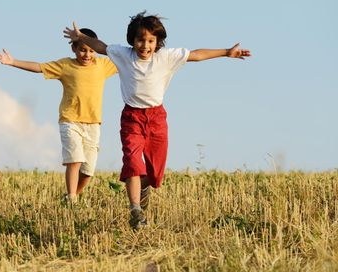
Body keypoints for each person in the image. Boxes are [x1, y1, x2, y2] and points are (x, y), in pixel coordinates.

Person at [64, 12, 251, 229]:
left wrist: (227, 52)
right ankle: (135, 210)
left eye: (151, 41)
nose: (145, 45)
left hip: (156, 119)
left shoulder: (166, 57)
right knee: (133, 164)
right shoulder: (123, 55)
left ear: (157, 42)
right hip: (132, 118)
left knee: (154, 174)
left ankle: (143, 191)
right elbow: (100, 46)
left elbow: (197, 55)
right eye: (140, 40)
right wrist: (80, 36)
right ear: (132, 41)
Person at [0, 28, 117, 204]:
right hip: (70, 121)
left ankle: (71, 197)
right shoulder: (65, 66)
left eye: (91, 50)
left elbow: (126, 61)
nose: (87, 54)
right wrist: (13, 62)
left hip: (93, 124)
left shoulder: (104, 66)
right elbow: (39, 67)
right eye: (82, 49)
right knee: (74, 160)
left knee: (88, 170)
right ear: (73, 49)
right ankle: (71, 198)